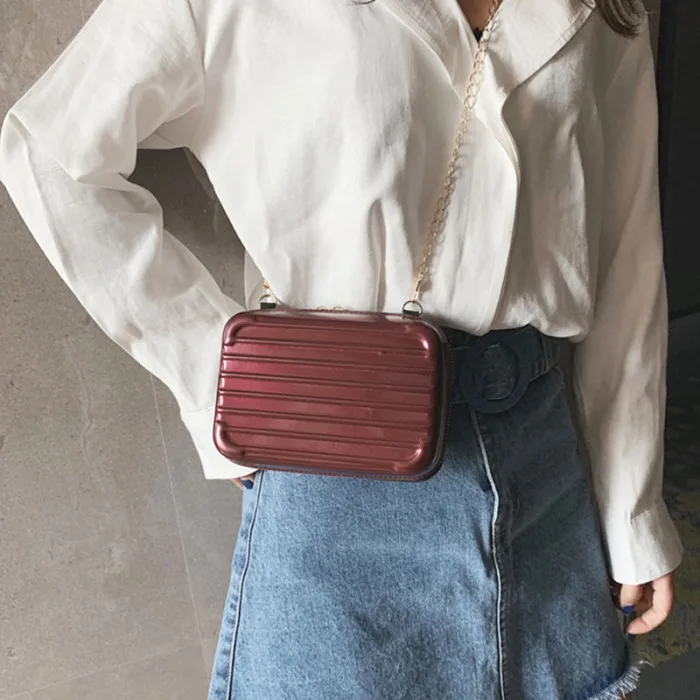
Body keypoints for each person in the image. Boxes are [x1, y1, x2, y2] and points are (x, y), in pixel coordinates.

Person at [0, 0, 684, 697]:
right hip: (333, 458)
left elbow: (624, 253)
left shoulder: (603, 9)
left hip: (541, 470)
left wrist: (633, 510)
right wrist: (223, 383)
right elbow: (50, 153)